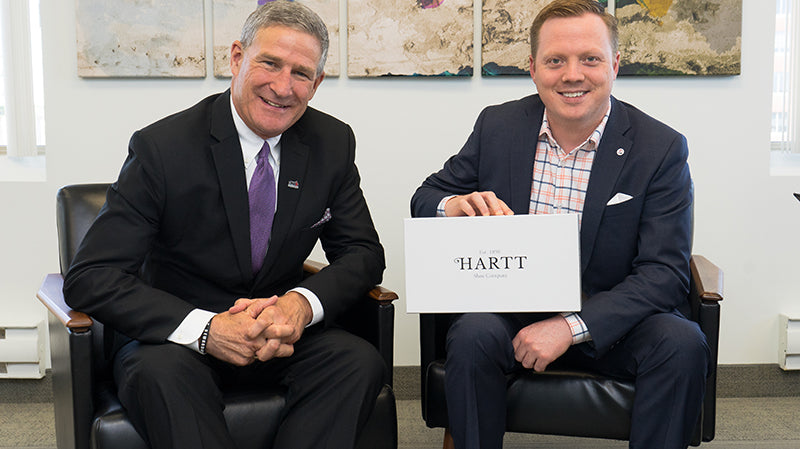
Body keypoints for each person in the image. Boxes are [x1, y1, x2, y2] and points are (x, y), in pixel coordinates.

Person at [63, 2, 386, 448]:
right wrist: (208, 330)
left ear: (317, 83)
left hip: (277, 334)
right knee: (160, 376)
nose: (282, 87)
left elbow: (364, 253)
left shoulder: (332, 142)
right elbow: (90, 278)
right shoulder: (163, 148)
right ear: (237, 58)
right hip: (178, 339)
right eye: (269, 63)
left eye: (300, 73)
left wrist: (299, 306)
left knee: (356, 361)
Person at [410, 1, 710, 448]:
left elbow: (664, 274)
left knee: (682, 343)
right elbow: (424, 199)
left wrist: (569, 327)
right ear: (533, 68)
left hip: (615, 319)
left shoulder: (661, 147)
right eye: (556, 60)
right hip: (511, 313)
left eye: (590, 58)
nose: (573, 75)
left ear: (615, 65)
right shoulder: (498, 126)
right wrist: (453, 205)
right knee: (472, 333)